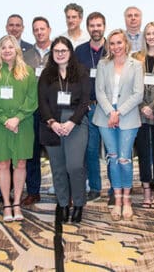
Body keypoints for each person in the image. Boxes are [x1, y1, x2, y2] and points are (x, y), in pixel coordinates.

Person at [0, 35, 38, 222]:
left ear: (17, 50)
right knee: (3, 163)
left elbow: (32, 100)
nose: (7, 50)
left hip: (24, 124)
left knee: (21, 164)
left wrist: (17, 118)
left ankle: (17, 204)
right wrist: (6, 120)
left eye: (10, 47)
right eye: (3, 47)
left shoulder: (28, 72)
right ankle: (7, 203)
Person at [93, 29, 144, 221]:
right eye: (112, 43)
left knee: (125, 159)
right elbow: (99, 92)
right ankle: (117, 200)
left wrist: (119, 112)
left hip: (128, 116)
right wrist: (110, 112)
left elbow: (138, 94)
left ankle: (127, 201)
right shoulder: (103, 64)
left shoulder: (136, 65)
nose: (116, 47)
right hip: (105, 116)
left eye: (119, 43)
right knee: (112, 158)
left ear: (126, 44)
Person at [38, 36, 90, 223]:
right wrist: (52, 122)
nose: (60, 54)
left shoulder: (81, 72)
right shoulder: (46, 74)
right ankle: (62, 204)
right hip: (52, 123)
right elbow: (42, 102)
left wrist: (71, 122)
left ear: (70, 52)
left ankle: (78, 203)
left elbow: (85, 101)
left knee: (74, 166)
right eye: (56, 51)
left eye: (63, 51)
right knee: (58, 168)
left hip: (75, 123)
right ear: (52, 54)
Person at [132, 22, 154, 208]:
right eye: (148, 34)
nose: (151, 37)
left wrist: (152, 107)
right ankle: (146, 190)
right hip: (139, 113)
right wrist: (143, 106)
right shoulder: (137, 58)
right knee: (144, 152)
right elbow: (131, 86)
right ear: (144, 36)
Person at [75, 12, 107, 202]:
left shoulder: (113, 48)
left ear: (104, 26)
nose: (96, 29)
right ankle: (95, 187)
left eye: (99, 25)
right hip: (90, 107)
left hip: (110, 108)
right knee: (91, 150)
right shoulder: (79, 51)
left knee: (112, 151)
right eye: (92, 25)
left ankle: (115, 191)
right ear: (87, 28)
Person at [21, 16, 52, 206]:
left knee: (56, 153)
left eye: (43, 28)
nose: (39, 32)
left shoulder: (57, 52)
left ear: (49, 29)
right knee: (31, 153)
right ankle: (33, 191)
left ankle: (63, 189)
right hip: (31, 110)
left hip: (52, 110)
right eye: (36, 29)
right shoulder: (25, 55)